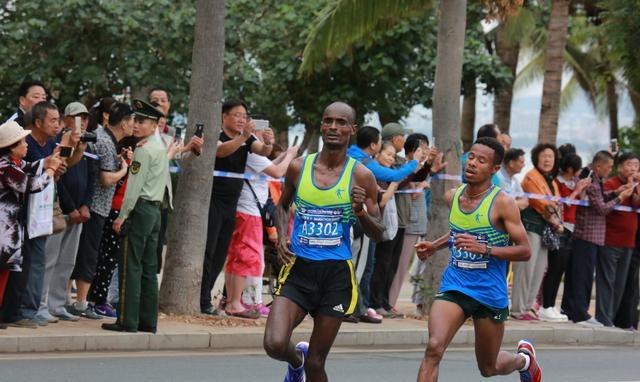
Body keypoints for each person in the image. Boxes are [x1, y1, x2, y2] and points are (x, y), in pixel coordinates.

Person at [263, 102, 383, 382]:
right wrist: (282, 236)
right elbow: (281, 206)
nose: (333, 127)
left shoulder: (361, 175)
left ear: (352, 129)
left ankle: (306, 364)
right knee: (275, 344)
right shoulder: (298, 167)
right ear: (321, 125)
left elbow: (379, 232)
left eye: (341, 122)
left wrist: (360, 212)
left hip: (336, 277)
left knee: (317, 363)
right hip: (300, 269)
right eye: (328, 120)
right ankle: (296, 362)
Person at [414, 137, 539, 382]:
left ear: (494, 169)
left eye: (481, 161)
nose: (472, 163)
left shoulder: (502, 203)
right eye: (471, 157)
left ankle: (524, 360)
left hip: (489, 293)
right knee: (434, 348)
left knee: (488, 368)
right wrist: (435, 245)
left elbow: (525, 250)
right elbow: (460, 231)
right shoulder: (454, 196)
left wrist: (486, 249)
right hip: (455, 285)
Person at [102, 99, 171, 333]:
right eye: (137, 120)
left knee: (130, 265)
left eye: (143, 121)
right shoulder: (160, 147)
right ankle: (148, 321)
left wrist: (122, 216)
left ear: (154, 125)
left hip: (140, 209)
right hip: (155, 210)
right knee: (149, 268)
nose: (137, 124)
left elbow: (133, 187)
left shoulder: (143, 150)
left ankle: (127, 320)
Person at [200, 99, 273, 315]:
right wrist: (243, 137)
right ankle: (202, 299)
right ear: (224, 117)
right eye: (237, 115)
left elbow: (263, 151)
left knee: (221, 254)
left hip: (232, 204)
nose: (242, 119)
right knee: (209, 252)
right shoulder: (218, 135)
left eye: (245, 116)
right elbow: (220, 152)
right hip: (213, 201)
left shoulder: (248, 139)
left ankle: (209, 297)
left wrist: (268, 142)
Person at [223, 133, 298, 319]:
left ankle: (233, 300)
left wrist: (285, 155)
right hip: (249, 212)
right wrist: (290, 155)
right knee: (247, 257)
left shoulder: (251, 153)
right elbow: (278, 172)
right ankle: (235, 302)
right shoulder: (252, 152)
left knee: (239, 256)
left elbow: (271, 164)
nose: (268, 139)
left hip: (248, 211)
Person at [562, 151, 635, 326]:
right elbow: (602, 209)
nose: (610, 170)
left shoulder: (595, 180)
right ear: (598, 166)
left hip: (592, 237)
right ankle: (580, 314)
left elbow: (600, 200)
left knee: (580, 276)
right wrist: (620, 197)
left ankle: (575, 311)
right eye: (609, 167)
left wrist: (616, 192)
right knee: (583, 277)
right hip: (587, 236)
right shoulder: (592, 182)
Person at [0, 121, 62, 329]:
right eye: (23, 141)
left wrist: (48, 160)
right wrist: (51, 170)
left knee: (6, 272)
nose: (26, 145)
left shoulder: (13, 163)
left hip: (10, 228)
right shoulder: (5, 166)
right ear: (12, 146)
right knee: (2, 272)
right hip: (4, 229)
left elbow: (32, 167)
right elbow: (31, 185)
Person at [41, 102, 97, 322]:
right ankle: (41, 303)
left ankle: (57, 303)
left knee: (67, 261)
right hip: (61, 211)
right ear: (66, 120)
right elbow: (59, 178)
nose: (81, 122)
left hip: (79, 213)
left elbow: (92, 178)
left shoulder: (87, 146)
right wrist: (71, 207)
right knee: (50, 259)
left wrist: (85, 205)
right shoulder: (60, 142)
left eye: (84, 118)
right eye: (76, 118)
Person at [511, 143, 562, 321]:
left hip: (545, 231)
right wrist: (555, 218)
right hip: (530, 228)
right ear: (536, 158)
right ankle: (517, 309)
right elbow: (543, 205)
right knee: (526, 270)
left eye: (551, 156)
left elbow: (555, 203)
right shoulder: (532, 177)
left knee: (538, 270)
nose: (548, 160)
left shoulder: (551, 180)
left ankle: (528, 307)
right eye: (544, 156)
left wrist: (555, 217)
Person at [538, 152, 589, 322]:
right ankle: (546, 306)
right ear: (569, 168)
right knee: (554, 269)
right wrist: (576, 190)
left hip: (571, 229)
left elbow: (581, 201)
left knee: (560, 270)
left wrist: (581, 189)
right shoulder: (558, 183)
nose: (578, 172)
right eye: (576, 168)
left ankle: (551, 306)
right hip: (560, 228)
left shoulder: (574, 182)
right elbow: (561, 204)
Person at [598, 152, 640, 327]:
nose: (633, 168)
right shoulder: (612, 183)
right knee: (607, 282)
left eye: (636, 165)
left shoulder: (636, 186)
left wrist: (634, 187)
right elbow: (606, 203)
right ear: (620, 166)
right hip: (610, 240)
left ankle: (611, 319)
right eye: (630, 164)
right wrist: (625, 190)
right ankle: (603, 319)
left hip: (628, 243)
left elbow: (637, 203)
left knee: (620, 285)